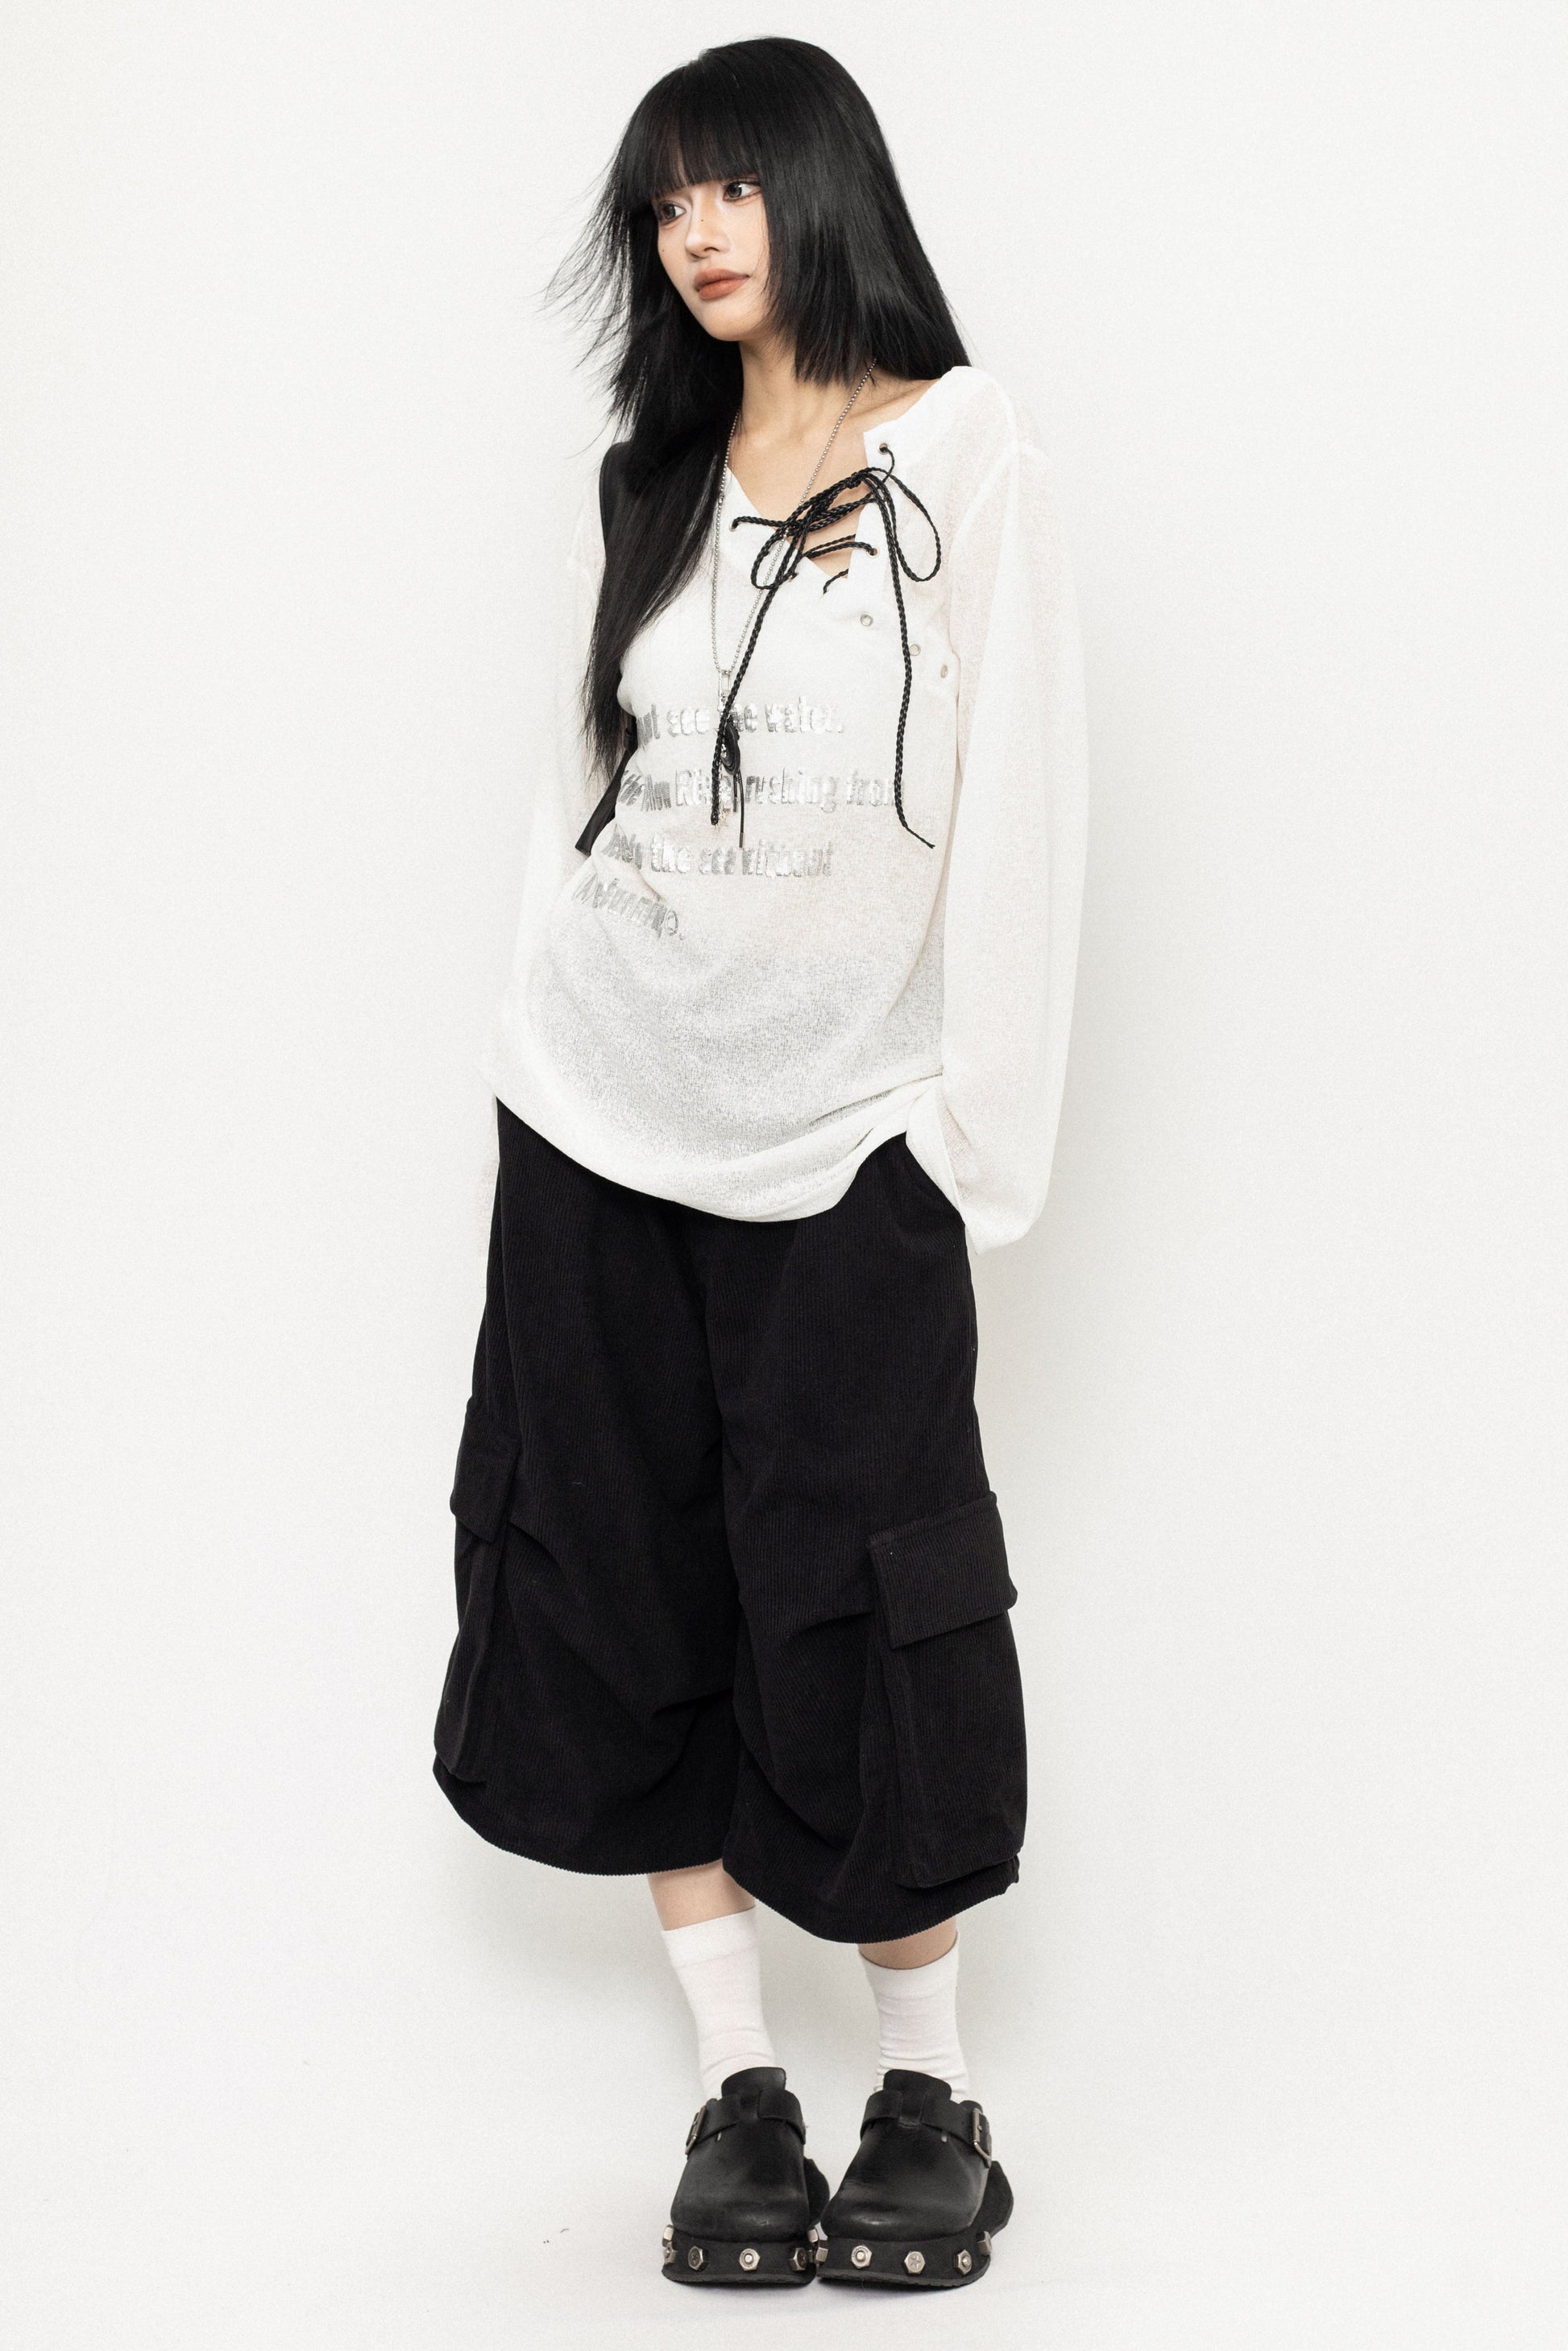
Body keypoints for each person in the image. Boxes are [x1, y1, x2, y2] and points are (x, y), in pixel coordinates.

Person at [432, 35, 1088, 2292]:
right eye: (664, 203)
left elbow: (1022, 802)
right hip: (598, 1117)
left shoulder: (965, 454)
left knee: (868, 1590)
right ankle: (739, 2087)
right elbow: (573, 798)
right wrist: (532, 1046)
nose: (696, 234)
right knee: (626, 1575)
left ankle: (928, 2093)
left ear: (822, 188)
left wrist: (966, 1148)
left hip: (850, 1140)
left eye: (728, 186)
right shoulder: (647, 480)